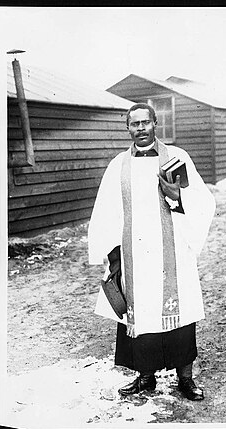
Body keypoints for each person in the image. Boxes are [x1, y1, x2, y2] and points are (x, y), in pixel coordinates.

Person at [88, 103, 215, 401]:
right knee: (139, 314)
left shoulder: (177, 157)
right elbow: (106, 210)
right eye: (135, 124)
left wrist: (178, 196)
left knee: (179, 314)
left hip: (172, 253)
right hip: (134, 254)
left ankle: (185, 379)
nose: (141, 128)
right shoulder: (118, 165)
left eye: (146, 122)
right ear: (128, 128)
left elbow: (204, 202)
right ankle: (146, 377)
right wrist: (112, 253)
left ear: (156, 124)